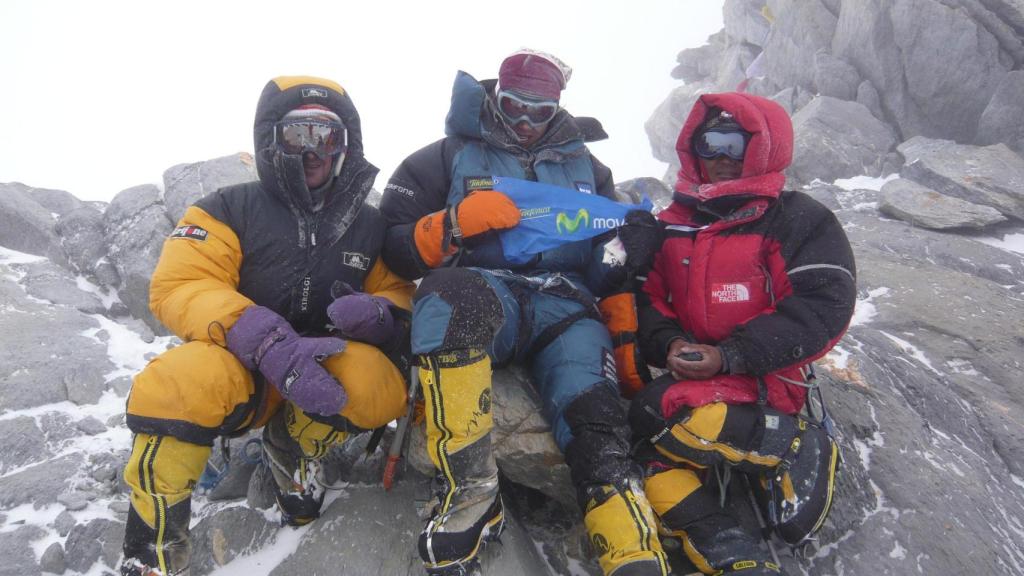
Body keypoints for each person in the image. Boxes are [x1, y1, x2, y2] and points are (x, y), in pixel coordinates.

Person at [380, 49, 668, 576]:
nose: (525, 121)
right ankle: (473, 489)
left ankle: (624, 530)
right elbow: (392, 245)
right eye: (513, 106)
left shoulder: (592, 170)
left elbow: (607, 271)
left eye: (540, 111)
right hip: (489, 293)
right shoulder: (445, 157)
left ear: (558, 105)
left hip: (568, 305)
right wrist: (451, 225)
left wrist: (626, 253)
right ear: (495, 97)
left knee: (592, 407)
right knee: (448, 298)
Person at [119, 76, 414, 576]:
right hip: (240, 365)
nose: (313, 151)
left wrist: (384, 315)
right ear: (272, 139)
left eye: (327, 136)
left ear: (346, 145)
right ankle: (152, 552)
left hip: (319, 371)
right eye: (299, 135)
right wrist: (264, 335)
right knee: (178, 382)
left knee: (378, 386)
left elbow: (398, 293)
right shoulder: (226, 208)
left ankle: (292, 448)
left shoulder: (370, 225)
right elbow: (182, 284)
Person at [628, 92, 856, 575]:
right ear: (694, 147)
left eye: (736, 142)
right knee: (644, 462)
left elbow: (824, 303)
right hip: (699, 373)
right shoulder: (671, 225)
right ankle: (728, 551)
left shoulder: (797, 217)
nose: (722, 157)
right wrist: (668, 343)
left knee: (668, 413)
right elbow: (647, 297)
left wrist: (731, 354)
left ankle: (795, 445)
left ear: (765, 146)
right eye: (710, 142)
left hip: (771, 377)